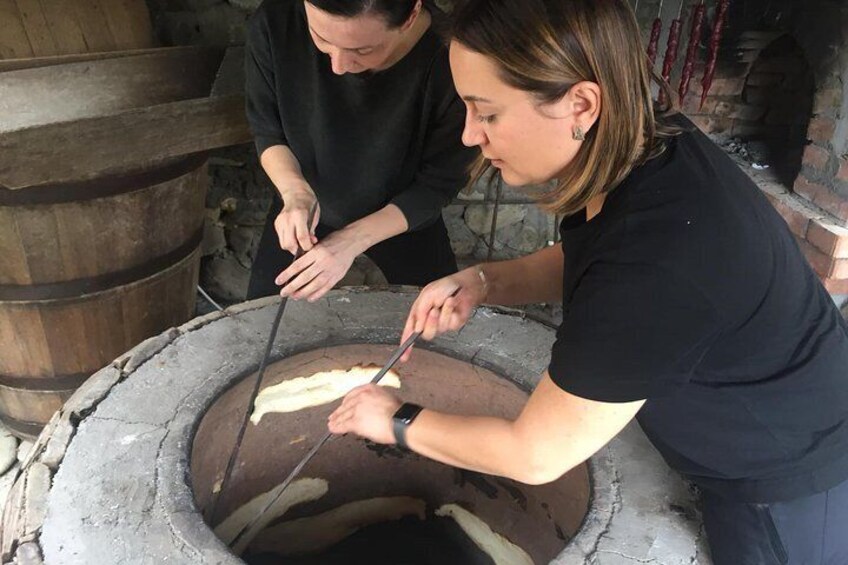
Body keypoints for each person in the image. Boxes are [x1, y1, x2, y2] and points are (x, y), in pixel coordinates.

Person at [326, 0, 848, 563]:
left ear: (580, 103)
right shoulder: (646, 148)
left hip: (786, 478)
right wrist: (483, 281)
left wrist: (395, 420)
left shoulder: (659, 259)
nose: (470, 135)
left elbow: (535, 455)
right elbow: (594, 258)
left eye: (487, 113)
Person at [244, 0, 477, 301]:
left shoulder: (451, 56)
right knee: (262, 324)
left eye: (363, 50)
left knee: (437, 327)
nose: (338, 66)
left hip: (403, 214)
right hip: (305, 208)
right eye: (322, 39)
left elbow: (440, 181)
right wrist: (295, 193)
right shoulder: (274, 22)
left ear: (410, 17)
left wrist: (351, 241)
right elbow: (267, 129)